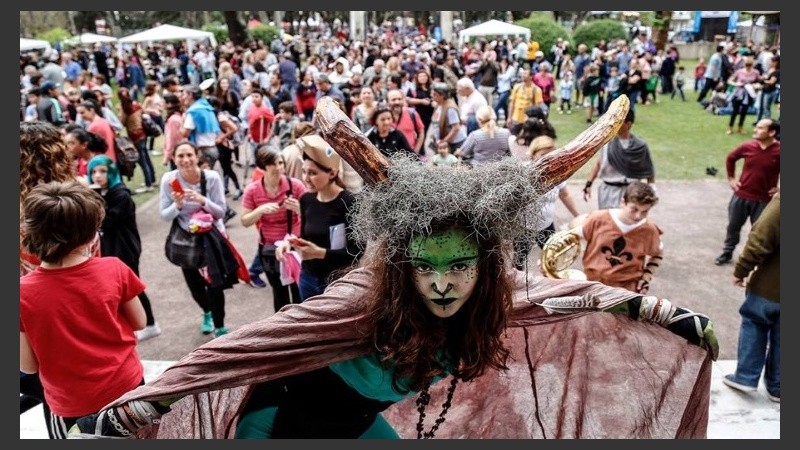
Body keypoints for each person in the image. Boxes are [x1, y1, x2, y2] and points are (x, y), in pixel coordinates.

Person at [69, 96, 718, 440]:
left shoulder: (496, 292)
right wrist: (137, 407)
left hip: (357, 426)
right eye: (426, 268)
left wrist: (666, 314)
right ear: (401, 264)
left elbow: (561, 296)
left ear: (486, 271)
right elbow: (245, 348)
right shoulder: (360, 299)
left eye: (462, 268)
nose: (442, 284)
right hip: (280, 426)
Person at [21, 180, 147, 439]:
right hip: (128, 388)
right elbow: (139, 322)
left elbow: (28, 365)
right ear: (92, 233)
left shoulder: (21, 292)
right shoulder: (114, 269)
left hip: (71, 405)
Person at [19, 121, 86, 435]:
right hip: (87, 307)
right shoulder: (81, 198)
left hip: (43, 324)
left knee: (58, 403)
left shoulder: (24, 217)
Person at [158, 141, 239, 338]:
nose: (185, 160)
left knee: (215, 284)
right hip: (186, 240)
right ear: (174, 159)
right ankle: (207, 312)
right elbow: (164, 215)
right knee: (194, 283)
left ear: (197, 156)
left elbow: (220, 212)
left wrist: (202, 200)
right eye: (180, 156)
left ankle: (219, 326)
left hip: (211, 237)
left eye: (189, 155)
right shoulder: (169, 180)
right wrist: (177, 205)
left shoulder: (211, 178)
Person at [275, 135, 361, 301]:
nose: (306, 178)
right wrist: (290, 244)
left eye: (313, 173)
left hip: (337, 282)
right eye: (305, 171)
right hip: (308, 277)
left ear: (332, 173)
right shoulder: (306, 200)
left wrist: (320, 253)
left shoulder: (349, 203)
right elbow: (305, 237)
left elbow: (356, 252)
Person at [88, 155, 161, 341]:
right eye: (94, 172)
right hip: (110, 248)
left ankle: (151, 323)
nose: (97, 176)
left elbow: (107, 221)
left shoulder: (120, 194)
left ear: (111, 172)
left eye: (103, 171)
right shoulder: (103, 194)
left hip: (125, 248)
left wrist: (94, 198)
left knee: (132, 288)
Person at [722, 192, 779, 403]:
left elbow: (759, 240)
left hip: (770, 287)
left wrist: (741, 271)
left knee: (755, 322)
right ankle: (778, 386)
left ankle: (746, 377)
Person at [240, 146, 306, 313]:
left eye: (280, 163)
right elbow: (245, 221)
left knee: (300, 291)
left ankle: (302, 328)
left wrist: (299, 209)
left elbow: (312, 217)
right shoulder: (253, 190)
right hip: (269, 249)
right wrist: (260, 210)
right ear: (262, 167)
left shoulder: (295, 186)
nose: (278, 168)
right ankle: (283, 329)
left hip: (294, 246)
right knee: (279, 293)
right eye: (272, 164)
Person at [574, 182, 663, 294]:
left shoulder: (649, 230)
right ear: (623, 202)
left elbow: (657, 254)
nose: (638, 216)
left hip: (626, 289)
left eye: (645, 211)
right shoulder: (597, 219)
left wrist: (646, 277)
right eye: (634, 209)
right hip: (592, 284)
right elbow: (574, 238)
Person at [715, 119, 780, 265]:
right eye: (756, 127)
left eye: (760, 128)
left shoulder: (779, 151)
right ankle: (727, 253)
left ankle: (750, 260)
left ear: (772, 132)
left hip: (763, 200)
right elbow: (731, 158)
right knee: (733, 226)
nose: (755, 130)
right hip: (741, 196)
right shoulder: (748, 146)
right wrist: (731, 178)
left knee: (758, 232)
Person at [583, 109, 655, 210]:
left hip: (631, 192)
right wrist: (588, 184)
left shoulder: (640, 146)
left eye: (618, 121)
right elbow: (599, 163)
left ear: (628, 124)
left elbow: (649, 171)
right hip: (608, 191)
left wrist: (652, 191)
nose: (613, 123)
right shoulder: (607, 142)